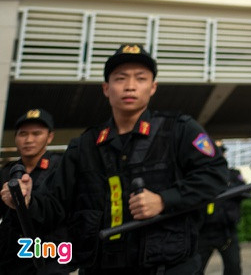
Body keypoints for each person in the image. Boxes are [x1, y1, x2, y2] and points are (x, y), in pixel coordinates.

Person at [1, 44, 229, 274]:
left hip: (169, 267)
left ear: (153, 87)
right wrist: (26, 201)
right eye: (120, 78)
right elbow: (54, 207)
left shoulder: (179, 130)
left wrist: (164, 200)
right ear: (106, 88)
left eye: (140, 78)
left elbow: (215, 175)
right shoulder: (84, 146)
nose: (130, 86)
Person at [0, 108, 69, 274]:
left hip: (49, 257)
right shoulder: (6, 172)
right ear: (15, 137)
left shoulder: (62, 168)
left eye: (36, 133)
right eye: (23, 134)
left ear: (50, 137)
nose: (29, 140)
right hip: (11, 259)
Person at [198, 140, 246, 275]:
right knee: (195, 268)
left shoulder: (233, 174)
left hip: (227, 231)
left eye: (221, 153)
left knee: (233, 267)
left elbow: (243, 191)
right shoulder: (202, 176)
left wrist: (225, 185)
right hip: (204, 230)